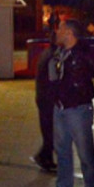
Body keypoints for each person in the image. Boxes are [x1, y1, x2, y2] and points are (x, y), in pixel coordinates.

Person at [45, 19, 94, 187]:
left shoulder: (84, 54)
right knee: (62, 150)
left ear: (69, 33)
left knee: (85, 153)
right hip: (60, 108)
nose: (57, 32)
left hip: (78, 109)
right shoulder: (60, 53)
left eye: (60, 29)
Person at [30, 16, 59, 172]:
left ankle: (45, 158)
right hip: (47, 99)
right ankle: (43, 157)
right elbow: (54, 80)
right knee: (50, 131)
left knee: (48, 130)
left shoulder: (46, 53)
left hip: (42, 97)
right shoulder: (53, 57)